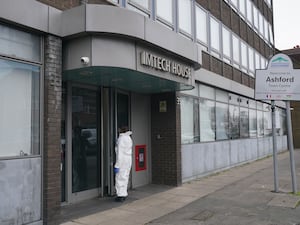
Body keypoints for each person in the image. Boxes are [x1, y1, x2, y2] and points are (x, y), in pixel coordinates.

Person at [114, 127, 133, 202]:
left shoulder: (121, 139)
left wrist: (117, 165)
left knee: (120, 177)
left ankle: (120, 195)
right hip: (128, 159)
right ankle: (124, 193)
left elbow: (120, 153)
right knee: (125, 176)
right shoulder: (128, 138)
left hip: (123, 160)